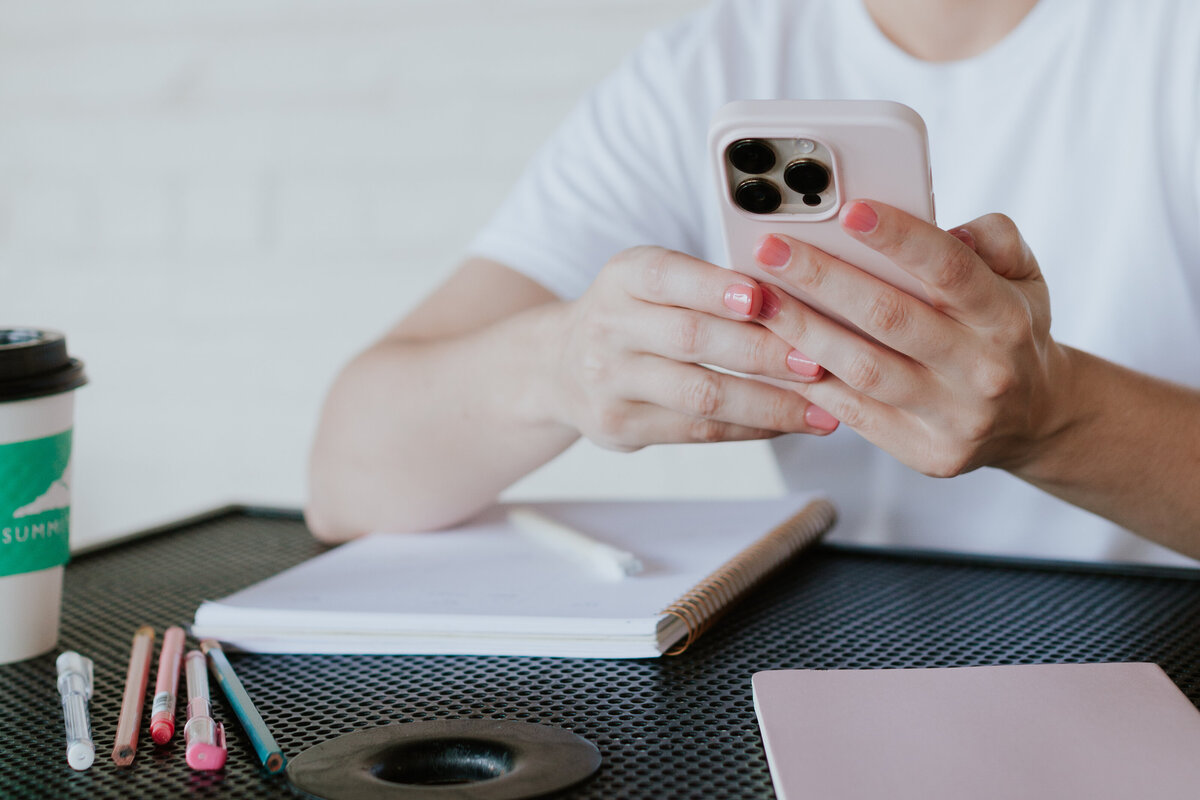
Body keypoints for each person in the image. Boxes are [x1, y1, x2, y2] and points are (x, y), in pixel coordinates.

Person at [305, 0, 1200, 566]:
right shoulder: (699, 73)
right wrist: (560, 364)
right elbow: (349, 478)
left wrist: (1057, 419)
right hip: (842, 656)